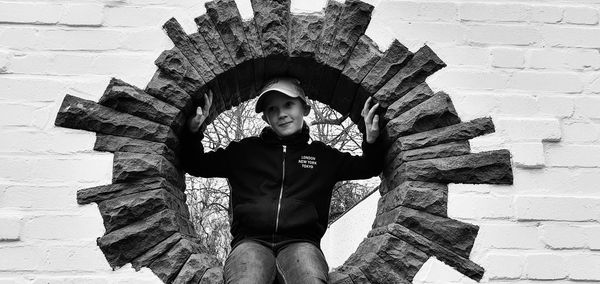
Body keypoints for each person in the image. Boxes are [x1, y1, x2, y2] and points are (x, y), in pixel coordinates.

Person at [181, 77, 384, 284]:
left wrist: (372, 140)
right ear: (266, 118)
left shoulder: (323, 157)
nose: (281, 114)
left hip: (302, 244)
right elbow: (196, 164)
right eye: (272, 109)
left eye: (288, 105)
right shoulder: (244, 152)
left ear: (305, 109)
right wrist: (192, 132)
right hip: (250, 243)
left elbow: (369, 167)